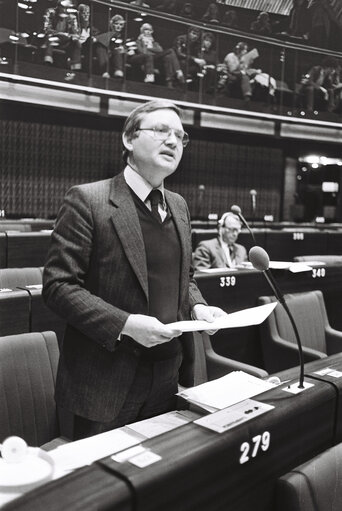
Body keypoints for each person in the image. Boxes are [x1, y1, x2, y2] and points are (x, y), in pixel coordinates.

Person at [43, 99, 226, 440]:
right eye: (161, 130)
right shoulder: (88, 200)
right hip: (106, 380)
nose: (173, 141)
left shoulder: (179, 206)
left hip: (168, 373)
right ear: (129, 139)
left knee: (157, 480)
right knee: (101, 489)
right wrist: (125, 324)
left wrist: (197, 305)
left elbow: (182, 278)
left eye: (180, 136)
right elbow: (59, 287)